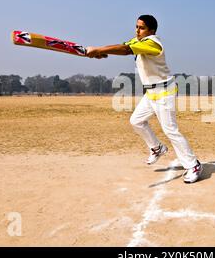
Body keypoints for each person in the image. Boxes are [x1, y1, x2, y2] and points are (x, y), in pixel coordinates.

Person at [85, 15, 203, 184]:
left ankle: (193, 165)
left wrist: (99, 50)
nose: (137, 30)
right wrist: (100, 52)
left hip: (164, 92)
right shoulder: (138, 40)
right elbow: (123, 47)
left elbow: (125, 50)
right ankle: (157, 147)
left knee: (170, 130)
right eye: (136, 26)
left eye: (141, 28)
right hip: (151, 94)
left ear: (151, 31)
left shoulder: (153, 43)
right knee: (136, 121)